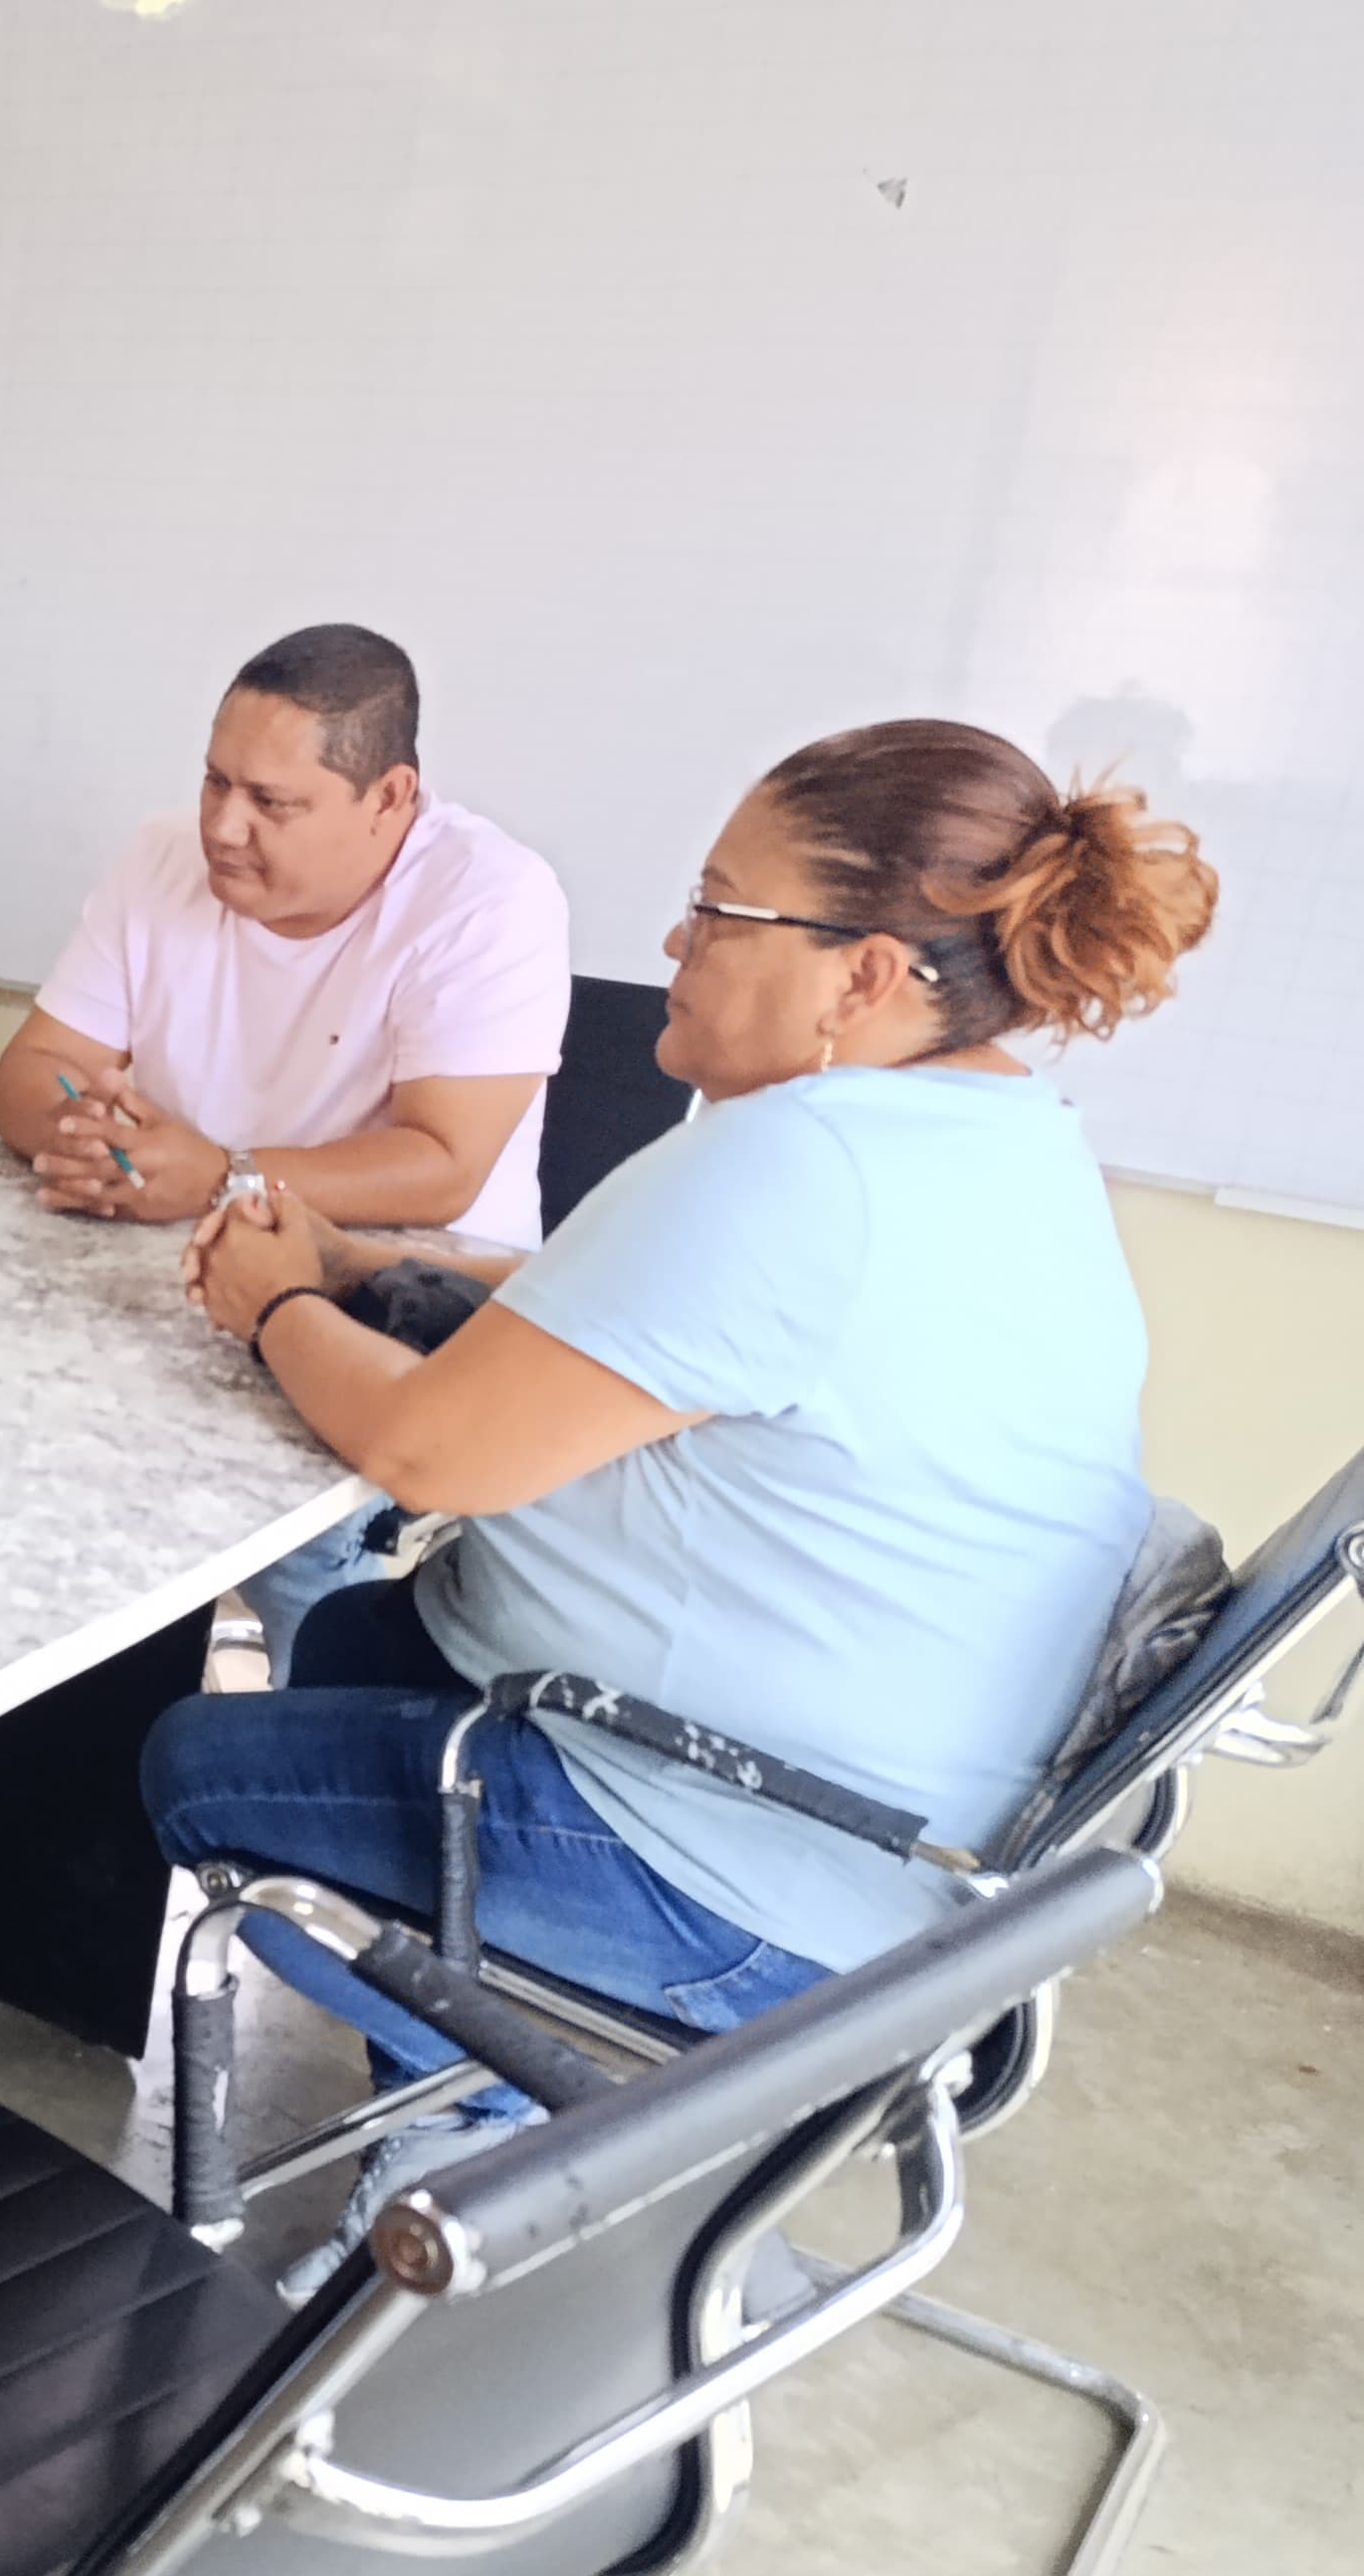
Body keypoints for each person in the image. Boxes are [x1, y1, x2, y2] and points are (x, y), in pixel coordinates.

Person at [138, 719, 1217, 2293]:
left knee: (201, 1766)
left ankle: (489, 2128)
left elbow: (432, 1454)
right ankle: (469, 2078)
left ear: (865, 975)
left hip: (748, 1875)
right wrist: (366, 1265)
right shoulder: (993, 1135)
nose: (673, 944)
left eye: (721, 912)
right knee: (370, 1633)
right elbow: (642, 1324)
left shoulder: (799, 1169)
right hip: (916, 1850)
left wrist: (273, 1307)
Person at [0, 625, 574, 1638]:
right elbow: (31, 1072)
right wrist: (95, 1144)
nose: (223, 826)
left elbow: (443, 1163)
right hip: (161, 1273)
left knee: (302, 1583)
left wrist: (222, 1175)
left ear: (390, 798)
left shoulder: (490, 896)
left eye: (272, 802)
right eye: (215, 782)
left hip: (390, 1305)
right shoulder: (160, 855)